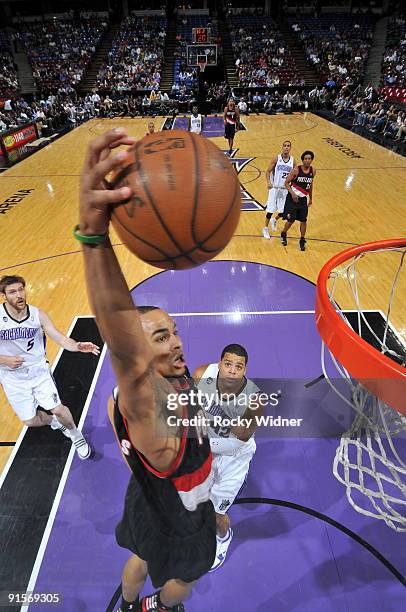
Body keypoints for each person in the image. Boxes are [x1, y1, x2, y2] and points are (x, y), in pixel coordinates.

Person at [77, 128, 216, 612]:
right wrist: (93, 235)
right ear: (136, 354)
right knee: (185, 579)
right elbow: (122, 343)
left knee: (137, 554)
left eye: (173, 330)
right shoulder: (142, 399)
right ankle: (161, 607)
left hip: (146, 500)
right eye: (161, 337)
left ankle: (132, 603)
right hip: (180, 515)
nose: (176, 340)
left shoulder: (161, 386)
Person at [0, 276, 98, 459]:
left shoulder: (38, 315)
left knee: (58, 409)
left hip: (38, 372)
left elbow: (60, 338)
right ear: (3, 295)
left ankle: (76, 435)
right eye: (13, 292)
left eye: (21, 289)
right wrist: (4, 359)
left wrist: (76, 346)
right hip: (11, 377)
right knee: (30, 421)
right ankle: (54, 423)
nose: (19, 295)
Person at [194, 344, 261, 571]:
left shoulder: (254, 400)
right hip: (207, 447)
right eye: (228, 364)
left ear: (245, 370)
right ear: (220, 363)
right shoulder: (202, 374)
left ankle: (223, 539)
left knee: (216, 513)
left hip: (234, 456)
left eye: (238, 366)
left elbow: (239, 439)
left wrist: (202, 445)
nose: (232, 370)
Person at [281, 150, 316, 251]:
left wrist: (311, 198)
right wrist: (293, 194)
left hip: (303, 199)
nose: (307, 160)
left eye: (309, 159)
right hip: (292, 199)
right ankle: (283, 233)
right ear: (303, 160)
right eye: (306, 159)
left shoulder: (313, 171)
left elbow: (310, 185)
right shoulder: (296, 170)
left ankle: (302, 239)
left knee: (303, 220)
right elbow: (286, 183)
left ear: (312, 160)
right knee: (291, 219)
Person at [262, 140, 295, 239]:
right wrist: (269, 182)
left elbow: (295, 174)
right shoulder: (277, 158)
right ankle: (265, 228)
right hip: (275, 188)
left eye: (288, 146)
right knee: (271, 210)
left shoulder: (293, 161)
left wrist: (293, 186)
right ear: (282, 147)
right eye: (285, 146)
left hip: (285, 189)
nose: (286, 147)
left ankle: (275, 220)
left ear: (290, 148)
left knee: (285, 210)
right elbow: (268, 171)